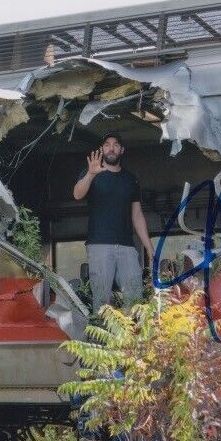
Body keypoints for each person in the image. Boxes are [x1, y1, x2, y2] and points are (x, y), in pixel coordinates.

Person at [73, 132, 154, 313]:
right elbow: (77, 194)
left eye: (116, 144)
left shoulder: (130, 179)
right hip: (99, 245)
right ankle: (101, 339)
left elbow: (137, 214)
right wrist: (90, 175)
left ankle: (133, 340)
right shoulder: (92, 173)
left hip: (127, 246)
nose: (111, 148)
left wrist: (148, 245)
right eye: (107, 144)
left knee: (134, 298)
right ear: (102, 149)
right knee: (102, 301)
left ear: (121, 150)